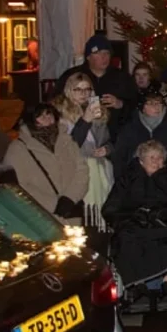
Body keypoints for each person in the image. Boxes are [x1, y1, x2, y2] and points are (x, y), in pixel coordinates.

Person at [102, 140, 167, 310]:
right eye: (152, 158)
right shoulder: (128, 178)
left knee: (166, 239)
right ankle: (140, 284)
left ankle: (166, 279)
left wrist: (166, 212)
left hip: (164, 223)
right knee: (126, 240)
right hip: (135, 223)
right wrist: (132, 216)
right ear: (141, 161)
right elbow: (110, 208)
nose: (157, 161)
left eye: (160, 158)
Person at [3, 103, 88, 225]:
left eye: (49, 114)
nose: (47, 118)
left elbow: (82, 170)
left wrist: (70, 198)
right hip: (39, 217)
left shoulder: (67, 141)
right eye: (40, 116)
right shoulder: (18, 148)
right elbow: (18, 185)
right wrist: (54, 205)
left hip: (71, 215)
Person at [54, 72, 113, 228]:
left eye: (87, 89)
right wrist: (85, 120)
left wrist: (107, 149)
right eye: (78, 89)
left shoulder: (97, 111)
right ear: (69, 91)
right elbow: (70, 146)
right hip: (77, 172)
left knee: (100, 215)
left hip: (98, 170)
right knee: (85, 217)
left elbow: (109, 140)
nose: (83, 94)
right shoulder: (61, 115)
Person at [113, 90, 167, 194]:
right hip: (136, 184)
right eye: (151, 103)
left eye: (159, 103)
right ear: (142, 107)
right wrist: (123, 184)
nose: (156, 106)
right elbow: (120, 159)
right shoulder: (129, 129)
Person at [57, 34, 135, 140]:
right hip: (79, 134)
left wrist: (120, 104)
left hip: (115, 135)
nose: (104, 57)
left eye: (107, 53)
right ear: (88, 57)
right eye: (97, 53)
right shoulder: (73, 76)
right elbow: (57, 102)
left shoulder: (122, 77)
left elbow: (136, 104)